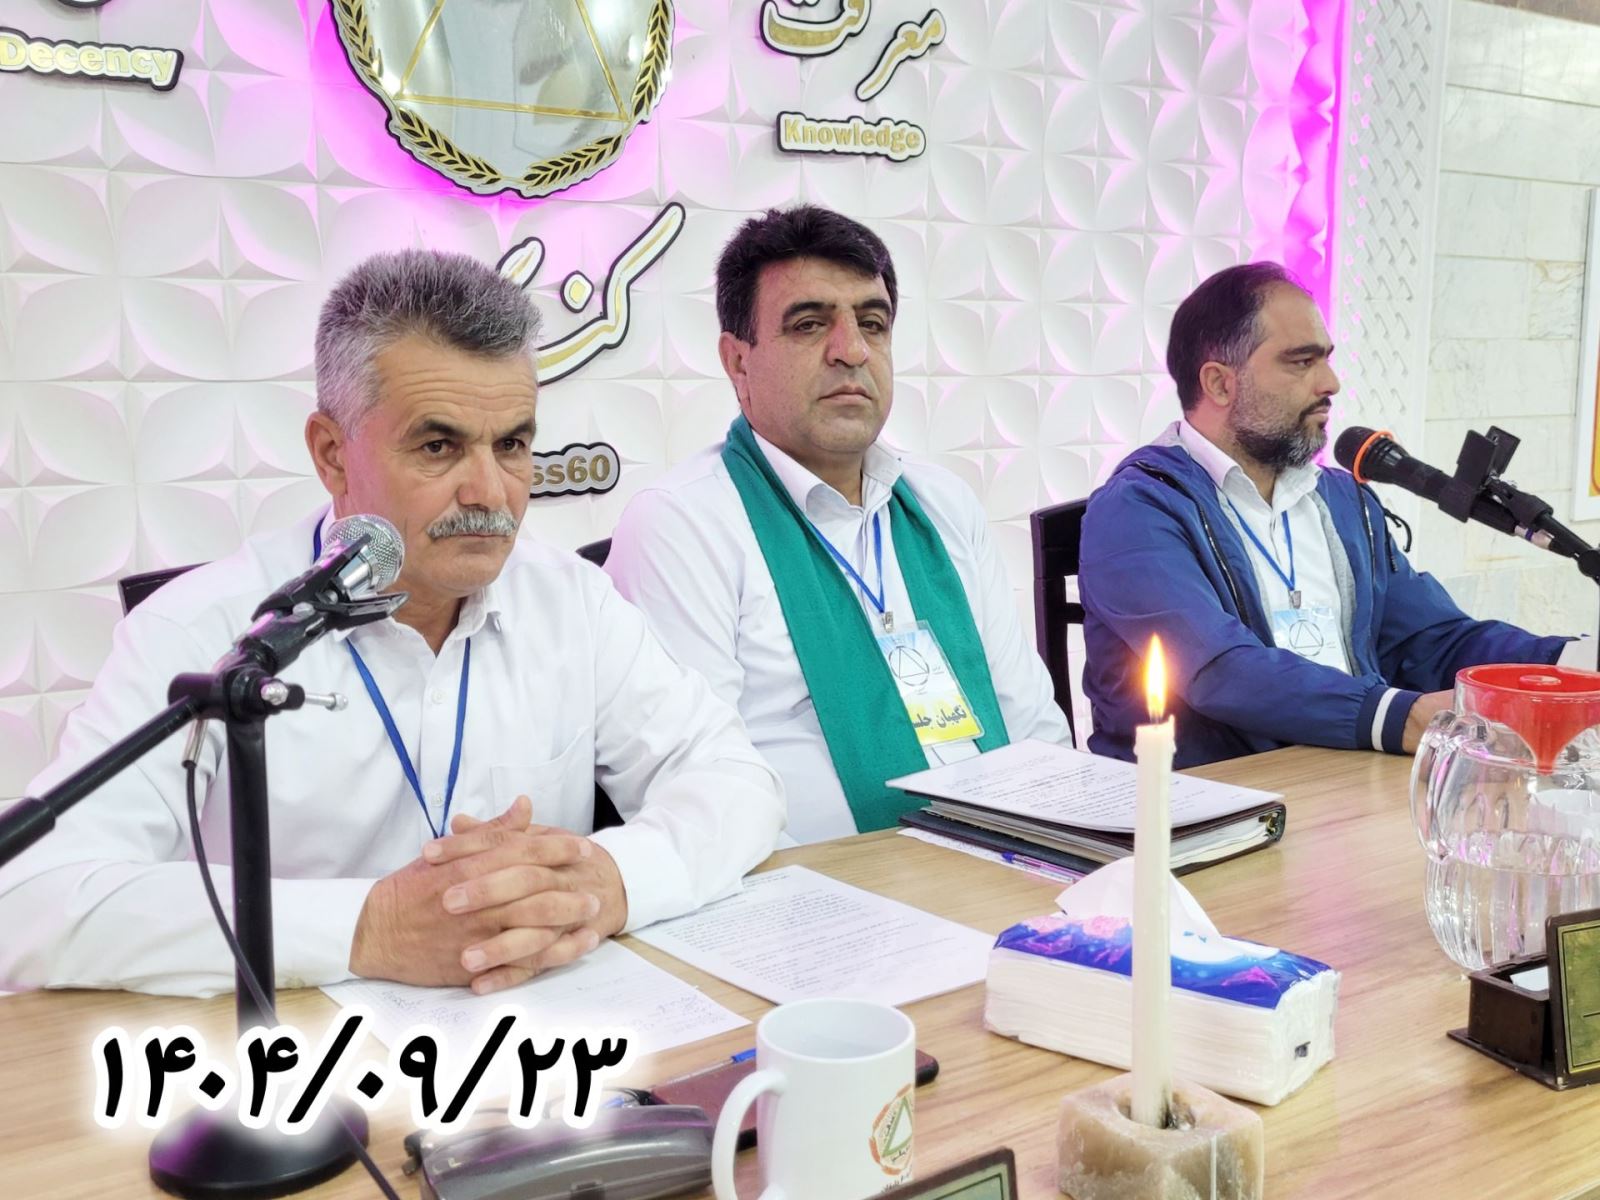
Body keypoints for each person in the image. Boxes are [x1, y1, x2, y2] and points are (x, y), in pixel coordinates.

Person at [0, 250, 784, 996]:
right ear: (332, 454)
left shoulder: (572, 601)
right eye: (439, 446)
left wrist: (609, 882)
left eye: (512, 444)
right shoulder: (202, 631)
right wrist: (368, 927)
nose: (490, 492)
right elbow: (33, 897)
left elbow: (735, 781)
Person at [604, 205, 1069, 843]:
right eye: (809, 324)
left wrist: (1075, 849)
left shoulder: (942, 503)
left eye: (872, 323)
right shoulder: (682, 525)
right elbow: (690, 798)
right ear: (738, 362)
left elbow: (1033, 724)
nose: (852, 351)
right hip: (811, 887)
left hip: (1007, 860)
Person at [1079, 261, 1579, 767]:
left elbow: (1429, 640)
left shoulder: (1341, 500)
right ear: (1220, 383)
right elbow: (1220, 671)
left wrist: (1571, 666)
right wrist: (1400, 717)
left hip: (1351, 777)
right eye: (1301, 362)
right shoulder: (1135, 510)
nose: (1331, 382)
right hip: (1214, 800)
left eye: (1326, 359)